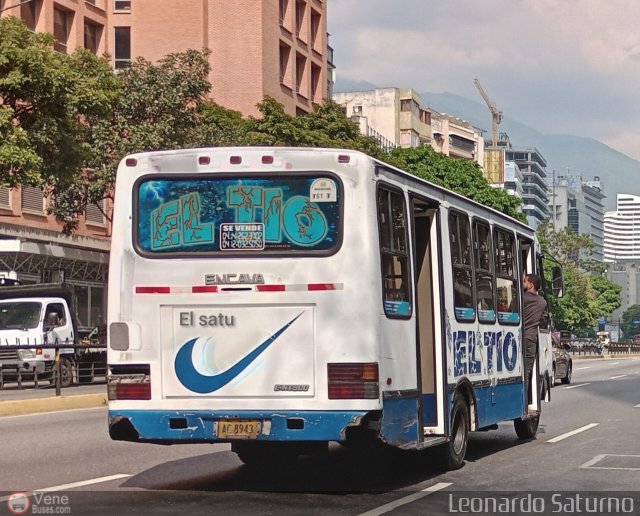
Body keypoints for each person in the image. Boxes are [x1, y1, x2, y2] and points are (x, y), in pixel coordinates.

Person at [522, 273, 547, 413]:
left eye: (524, 281)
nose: (522, 282)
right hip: (531, 339)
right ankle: (524, 402)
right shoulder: (542, 302)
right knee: (527, 371)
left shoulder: (521, 298)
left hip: (518, 338)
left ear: (530, 284)